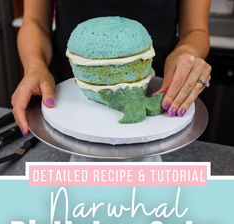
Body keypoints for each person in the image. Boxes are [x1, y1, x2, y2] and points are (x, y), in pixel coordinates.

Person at [12, 0, 211, 135]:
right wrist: (35, 67)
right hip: (69, 97)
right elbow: (35, 22)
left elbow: (196, 29)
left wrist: (187, 52)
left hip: (160, 88)